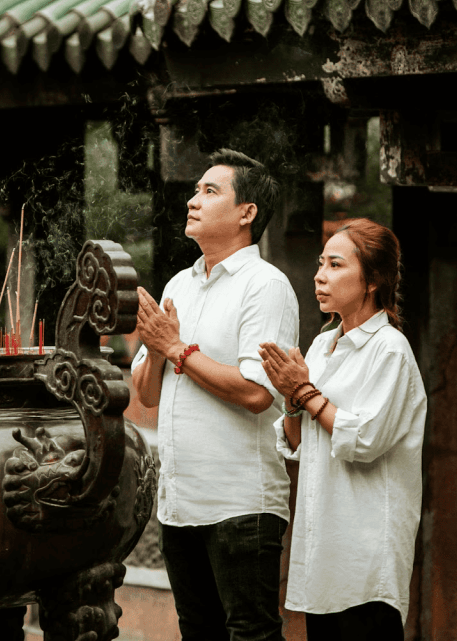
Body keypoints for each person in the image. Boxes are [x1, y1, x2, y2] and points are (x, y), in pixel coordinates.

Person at [131, 148, 299, 641]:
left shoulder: (265, 286)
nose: (193, 200)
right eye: (194, 190)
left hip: (240, 501)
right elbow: (146, 393)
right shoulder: (180, 283)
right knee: (197, 632)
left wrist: (175, 347)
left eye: (210, 191)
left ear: (246, 213)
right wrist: (158, 350)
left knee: (251, 632)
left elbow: (256, 393)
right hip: (180, 502)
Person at [260, 218, 426, 641]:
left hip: (367, 556)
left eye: (335, 265)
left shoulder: (390, 349)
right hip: (324, 551)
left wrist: (305, 391)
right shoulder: (322, 345)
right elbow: (296, 443)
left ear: (373, 280)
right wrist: (292, 397)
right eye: (320, 264)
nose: (320, 275)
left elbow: (364, 440)